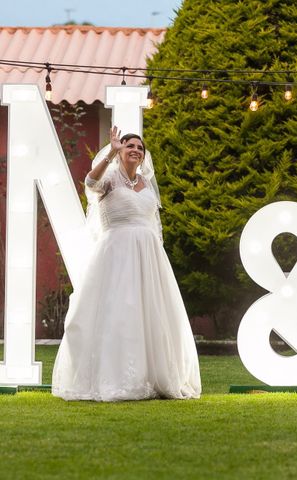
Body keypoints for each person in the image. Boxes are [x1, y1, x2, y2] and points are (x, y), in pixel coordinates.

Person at [52, 127, 201, 401]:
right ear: (120, 151)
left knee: (151, 312)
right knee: (118, 310)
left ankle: (153, 375)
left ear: (144, 156)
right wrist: (110, 151)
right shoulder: (109, 178)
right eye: (129, 146)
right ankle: (116, 376)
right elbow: (90, 183)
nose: (135, 150)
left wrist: (157, 257)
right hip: (116, 253)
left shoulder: (147, 185)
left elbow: (154, 224)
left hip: (149, 256)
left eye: (139, 148)